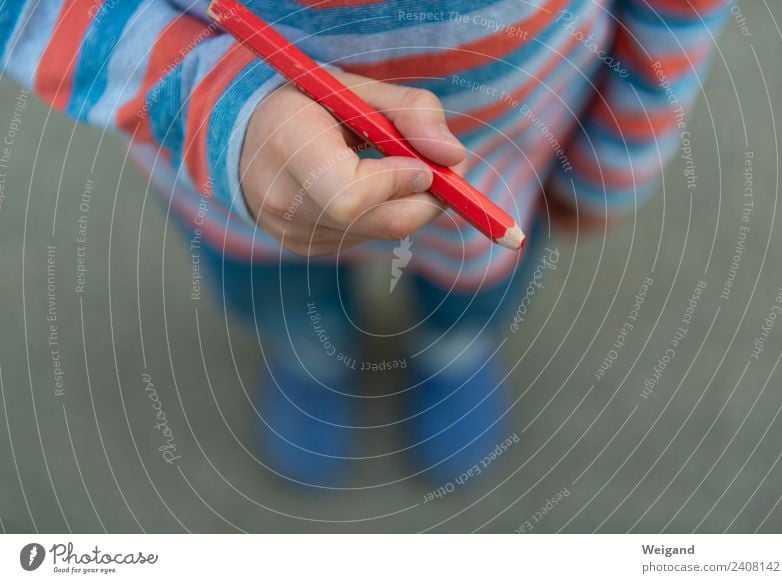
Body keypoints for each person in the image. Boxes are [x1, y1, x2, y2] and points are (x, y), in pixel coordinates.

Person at [0, 0, 728, 486]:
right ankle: (312, 359)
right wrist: (222, 108)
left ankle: (453, 351)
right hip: (229, 182)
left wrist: (613, 161)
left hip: (509, 153)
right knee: (278, 298)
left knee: (474, 292)